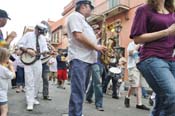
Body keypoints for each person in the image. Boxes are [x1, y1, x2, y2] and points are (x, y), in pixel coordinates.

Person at [130, 0, 175, 115]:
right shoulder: (144, 9)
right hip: (152, 58)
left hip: (170, 59)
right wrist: (167, 31)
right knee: (172, 95)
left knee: (162, 100)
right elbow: (137, 38)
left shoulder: (172, 11)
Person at [67, 0, 107, 115]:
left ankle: (76, 113)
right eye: (91, 7)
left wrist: (96, 38)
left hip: (86, 59)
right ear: (84, 6)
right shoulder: (75, 16)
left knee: (81, 90)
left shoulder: (83, 20)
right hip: (80, 58)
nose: (92, 10)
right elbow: (78, 35)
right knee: (78, 91)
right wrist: (96, 46)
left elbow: (83, 36)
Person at [18, 23, 49, 111]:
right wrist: (27, 50)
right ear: (36, 29)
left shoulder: (42, 38)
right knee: (29, 81)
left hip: (38, 61)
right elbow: (20, 45)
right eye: (40, 32)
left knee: (37, 80)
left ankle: (34, 97)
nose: (40, 34)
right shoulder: (28, 35)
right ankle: (29, 102)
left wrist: (46, 52)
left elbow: (44, 49)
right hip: (28, 61)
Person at [85, 24, 104, 111]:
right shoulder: (88, 37)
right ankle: (87, 97)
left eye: (98, 29)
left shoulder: (101, 40)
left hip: (96, 62)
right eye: (95, 29)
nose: (97, 31)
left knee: (97, 82)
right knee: (86, 81)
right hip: (86, 60)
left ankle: (99, 104)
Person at [0, 47, 15, 116]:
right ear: (5, 58)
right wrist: (11, 67)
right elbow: (13, 76)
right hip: (1, 95)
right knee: (4, 111)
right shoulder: (3, 69)